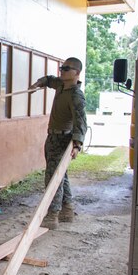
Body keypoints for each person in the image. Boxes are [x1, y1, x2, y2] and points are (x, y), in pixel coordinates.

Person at [29, 57, 88, 230]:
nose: (62, 71)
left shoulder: (76, 96)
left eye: (66, 69)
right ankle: (67, 210)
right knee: (60, 175)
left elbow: (81, 122)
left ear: (76, 73)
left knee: (53, 177)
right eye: (62, 68)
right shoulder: (61, 85)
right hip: (52, 137)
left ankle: (52, 214)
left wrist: (77, 144)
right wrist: (37, 84)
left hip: (64, 139)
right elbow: (48, 80)